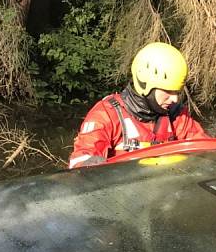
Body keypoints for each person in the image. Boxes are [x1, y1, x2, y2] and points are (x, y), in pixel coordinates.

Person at [68, 42, 207, 168]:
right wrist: (90, 165)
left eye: (177, 91)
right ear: (145, 84)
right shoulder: (107, 114)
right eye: (168, 91)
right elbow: (80, 159)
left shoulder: (176, 115)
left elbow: (204, 148)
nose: (175, 99)